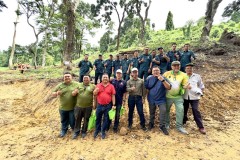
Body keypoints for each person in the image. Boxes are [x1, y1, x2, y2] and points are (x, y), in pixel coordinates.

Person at [163, 61, 189, 134]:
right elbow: (162, 83)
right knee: (166, 111)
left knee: (180, 110)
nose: (176, 67)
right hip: (168, 96)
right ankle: (167, 124)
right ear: (171, 66)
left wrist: (185, 86)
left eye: (178, 66)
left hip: (178, 97)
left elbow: (184, 85)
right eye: (174, 66)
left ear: (180, 66)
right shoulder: (166, 74)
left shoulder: (184, 75)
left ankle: (179, 126)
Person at [144, 66, 171, 135]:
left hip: (161, 99)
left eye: (157, 70)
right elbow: (147, 88)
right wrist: (145, 97)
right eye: (154, 71)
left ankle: (162, 126)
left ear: (160, 71)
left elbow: (169, 87)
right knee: (152, 112)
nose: (156, 72)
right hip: (151, 99)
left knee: (163, 111)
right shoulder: (149, 78)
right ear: (152, 72)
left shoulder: (164, 78)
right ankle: (151, 124)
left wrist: (163, 80)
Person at [52, 72, 78, 137]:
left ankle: (74, 131)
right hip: (62, 108)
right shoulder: (60, 85)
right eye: (65, 76)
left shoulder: (76, 84)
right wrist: (56, 93)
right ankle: (64, 131)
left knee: (72, 121)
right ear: (63, 78)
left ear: (71, 77)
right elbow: (53, 92)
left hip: (72, 107)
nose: (67, 77)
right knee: (63, 121)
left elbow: (83, 86)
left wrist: (76, 91)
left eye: (68, 76)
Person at [183, 63, 206, 134]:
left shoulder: (197, 76)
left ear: (193, 69)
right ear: (185, 69)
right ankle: (183, 122)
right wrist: (184, 87)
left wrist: (200, 92)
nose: (189, 70)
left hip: (195, 97)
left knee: (195, 110)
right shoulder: (183, 76)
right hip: (185, 96)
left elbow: (201, 86)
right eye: (187, 68)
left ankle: (201, 127)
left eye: (190, 68)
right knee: (183, 110)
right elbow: (180, 85)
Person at [72, 75, 96, 139]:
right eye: (84, 79)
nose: (85, 80)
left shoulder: (93, 86)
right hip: (79, 106)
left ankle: (84, 132)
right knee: (77, 119)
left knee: (86, 119)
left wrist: (95, 104)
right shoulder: (78, 85)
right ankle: (76, 132)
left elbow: (95, 95)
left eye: (87, 79)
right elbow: (73, 94)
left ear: (89, 79)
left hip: (88, 107)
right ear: (82, 79)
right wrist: (74, 92)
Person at [93, 73, 116, 139]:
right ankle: (97, 130)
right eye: (104, 77)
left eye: (106, 77)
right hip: (99, 105)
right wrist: (95, 92)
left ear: (108, 78)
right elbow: (94, 95)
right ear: (101, 78)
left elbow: (113, 95)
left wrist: (114, 104)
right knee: (98, 119)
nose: (105, 78)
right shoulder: (98, 85)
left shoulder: (111, 86)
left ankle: (103, 131)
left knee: (106, 119)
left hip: (108, 105)